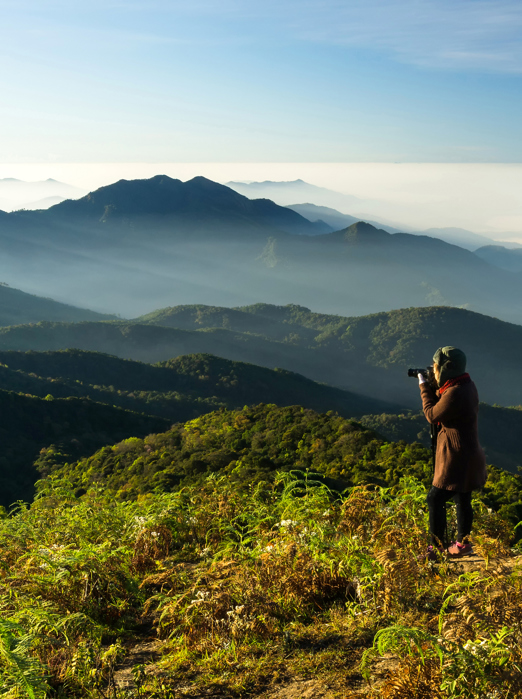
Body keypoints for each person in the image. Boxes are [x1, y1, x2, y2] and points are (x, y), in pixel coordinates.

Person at [418, 346, 486, 558]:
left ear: (446, 368)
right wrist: (434, 384)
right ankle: (463, 544)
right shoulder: (466, 384)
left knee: (435, 499)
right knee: (462, 497)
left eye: (436, 368)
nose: (434, 371)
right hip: (469, 454)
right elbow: (445, 398)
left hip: (457, 457)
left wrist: (423, 386)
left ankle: (435, 549)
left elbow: (431, 414)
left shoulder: (455, 393)